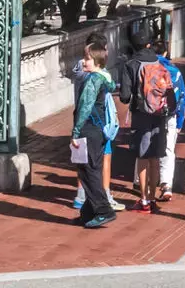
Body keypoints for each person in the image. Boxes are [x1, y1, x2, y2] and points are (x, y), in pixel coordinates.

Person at [116, 37, 174, 213]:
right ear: (149, 45)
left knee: (142, 156)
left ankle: (144, 200)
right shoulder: (158, 62)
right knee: (155, 157)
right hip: (160, 114)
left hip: (141, 114)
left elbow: (124, 97)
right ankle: (152, 196)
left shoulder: (131, 64)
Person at [70, 37, 119, 228]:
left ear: (97, 61)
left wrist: (75, 132)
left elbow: (84, 107)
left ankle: (103, 210)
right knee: (93, 168)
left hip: (88, 129)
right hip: (98, 130)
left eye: (87, 58)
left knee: (87, 170)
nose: (84, 61)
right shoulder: (105, 78)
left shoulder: (92, 81)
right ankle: (88, 213)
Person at [154, 41, 185, 204]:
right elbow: (182, 98)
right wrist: (180, 121)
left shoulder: (147, 69)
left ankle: (142, 181)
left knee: (147, 148)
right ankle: (166, 184)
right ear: (166, 54)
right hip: (170, 115)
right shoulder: (175, 72)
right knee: (168, 149)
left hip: (149, 114)